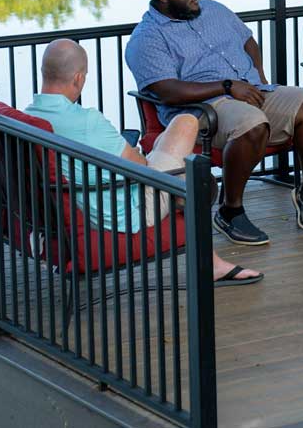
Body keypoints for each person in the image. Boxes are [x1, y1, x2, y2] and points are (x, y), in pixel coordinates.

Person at [26, 39, 262, 287]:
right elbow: (141, 166)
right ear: (78, 78)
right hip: (126, 212)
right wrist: (135, 153)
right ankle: (209, 256)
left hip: (75, 206)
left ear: (44, 72)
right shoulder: (87, 122)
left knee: (169, 151)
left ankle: (206, 248)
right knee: (186, 124)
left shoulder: (28, 117)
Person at [125, 0, 303, 246]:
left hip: (251, 90)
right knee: (252, 123)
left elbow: (248, 42)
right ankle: (230, 211)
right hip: (202, 108)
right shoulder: (147, 38)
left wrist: (259, 78)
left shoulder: (214, 10)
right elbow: (168, 91)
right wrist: (227, 86)